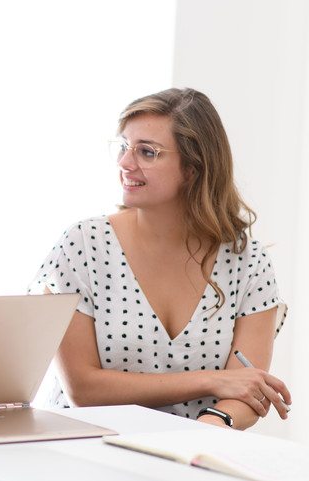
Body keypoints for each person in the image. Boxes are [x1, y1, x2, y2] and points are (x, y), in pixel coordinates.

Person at [28, 88, 291, 430]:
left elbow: (246, 390)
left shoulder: (248, 261)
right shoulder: (82, 245)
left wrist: (207, 431)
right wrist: (211, 380)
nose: (125, 163)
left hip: (193, 456)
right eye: (123, 146)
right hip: (81, 451)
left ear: (193, 169)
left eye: (147, 152)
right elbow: (83, 388)